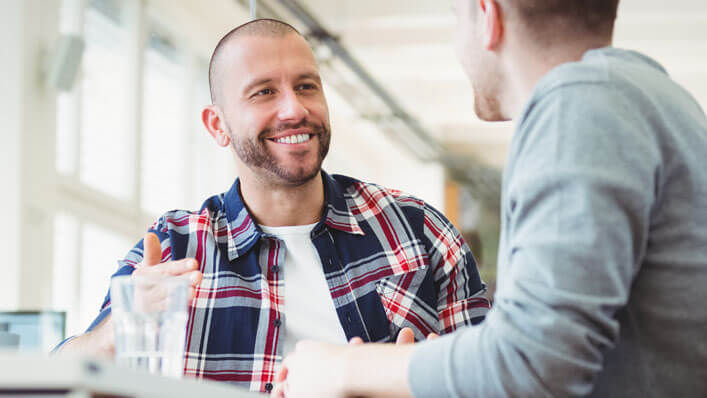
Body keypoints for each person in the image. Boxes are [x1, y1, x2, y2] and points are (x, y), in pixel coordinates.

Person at [275, 0, 707, 396]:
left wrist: (343, 367)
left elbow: (532, 364)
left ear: (487, 16)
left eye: (455, 18)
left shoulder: (578, 105)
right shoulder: (660, 100)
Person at [55, 19, 491, 394]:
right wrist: (121, 330)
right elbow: (54, 382)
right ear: (217, 125)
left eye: (306, 87)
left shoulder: (419, 231)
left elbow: (502, 381)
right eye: (264, 92)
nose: (294, 109)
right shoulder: (174, 247)